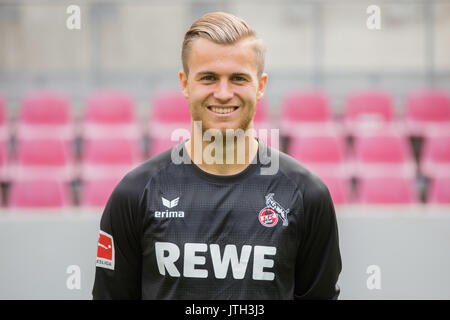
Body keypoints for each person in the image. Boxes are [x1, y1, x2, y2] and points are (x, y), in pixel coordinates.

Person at [92, 11, 342, 300]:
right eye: (209, 78)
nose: (223, 93)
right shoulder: (135, 193)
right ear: (185, 83)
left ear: (259, 86)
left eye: (238, 78)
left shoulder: (306, 195)